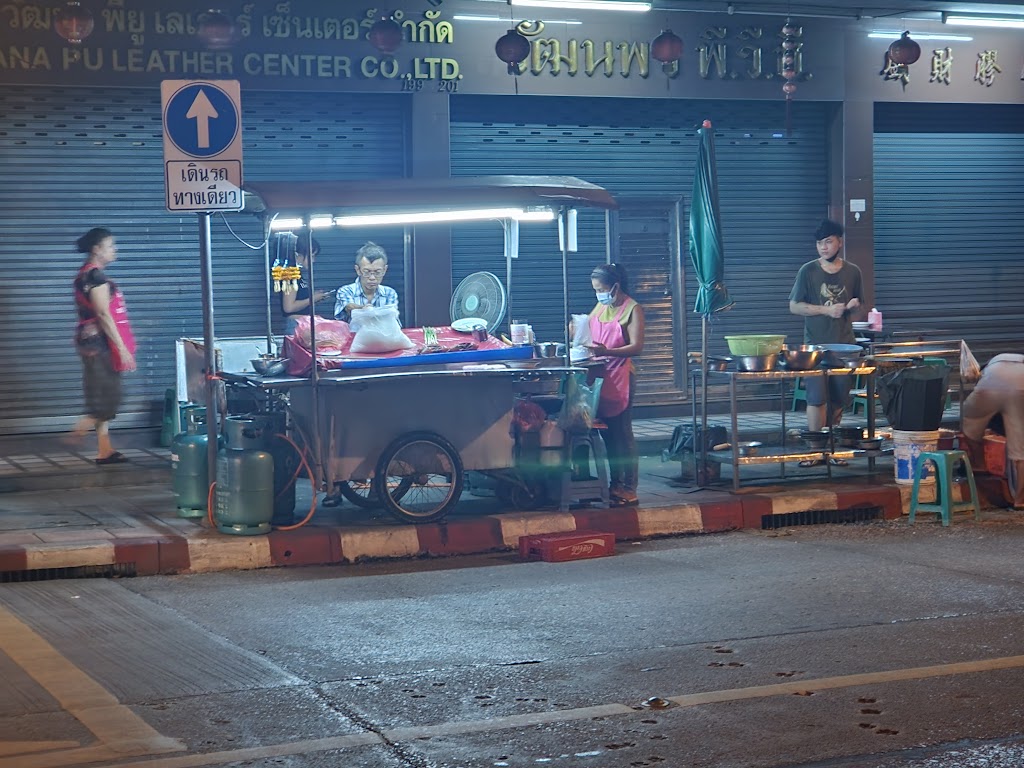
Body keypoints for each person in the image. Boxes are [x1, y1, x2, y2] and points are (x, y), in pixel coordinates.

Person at [789, 219, 864, 466]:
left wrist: (853, 306)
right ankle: (814, 451)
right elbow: (794, 306)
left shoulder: (853, 271)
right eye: (820, 243)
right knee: (816, 397)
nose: (823, 247)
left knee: (839, 398)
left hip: (845, 345)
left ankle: (830, 449)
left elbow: (858, 301)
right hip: (815, 348)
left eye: (828, 242)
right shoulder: (807, 271)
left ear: (839, 242)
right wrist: (825, 310)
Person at [70, 227, 136, 465]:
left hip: (91, 343)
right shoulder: (95, 276)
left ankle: (104, 450)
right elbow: (103, 314)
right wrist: (122, 348)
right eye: (110, 245)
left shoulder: (85, 275)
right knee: (110, 395)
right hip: (100, 345)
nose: (113, 250)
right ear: (97, 249)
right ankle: (80, 428)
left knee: (103, 392)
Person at [586, 263, 645, 506]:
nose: (598, 293)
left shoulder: (633, 309)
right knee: (608, 436)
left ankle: (629, 488)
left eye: (600, 289)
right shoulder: (601, 306)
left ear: (615, 287)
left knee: (622, 434)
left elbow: (637, 346)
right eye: (595, 289)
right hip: (601, 376)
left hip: (622, 376)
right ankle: (614, 485)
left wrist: (607, 351)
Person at [961, 354, 1024, 508]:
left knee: (970, 422)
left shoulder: (990, 365)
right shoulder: (1018, 360)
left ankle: (979, 464)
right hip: (1021, 387)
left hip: (989, 386)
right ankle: (1021, 500)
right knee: (1021, 451)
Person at [334, 241, 399, 323]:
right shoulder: (346, 291)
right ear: (358, 270)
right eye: (367, 272)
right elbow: (349, 307)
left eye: (377, 272)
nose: (372, 278)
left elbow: (391, 319)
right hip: (354, 335)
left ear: (385, 270)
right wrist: (364, 310)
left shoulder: (390, 293)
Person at [281, 232, 330, 334]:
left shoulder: (298, 274)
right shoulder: (290, 274)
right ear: (298, 255)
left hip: (303, 324)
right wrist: (313, 299)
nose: (313, 260)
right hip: (296, 325)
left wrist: (314, 296)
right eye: (311, 256)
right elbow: (289, 307)